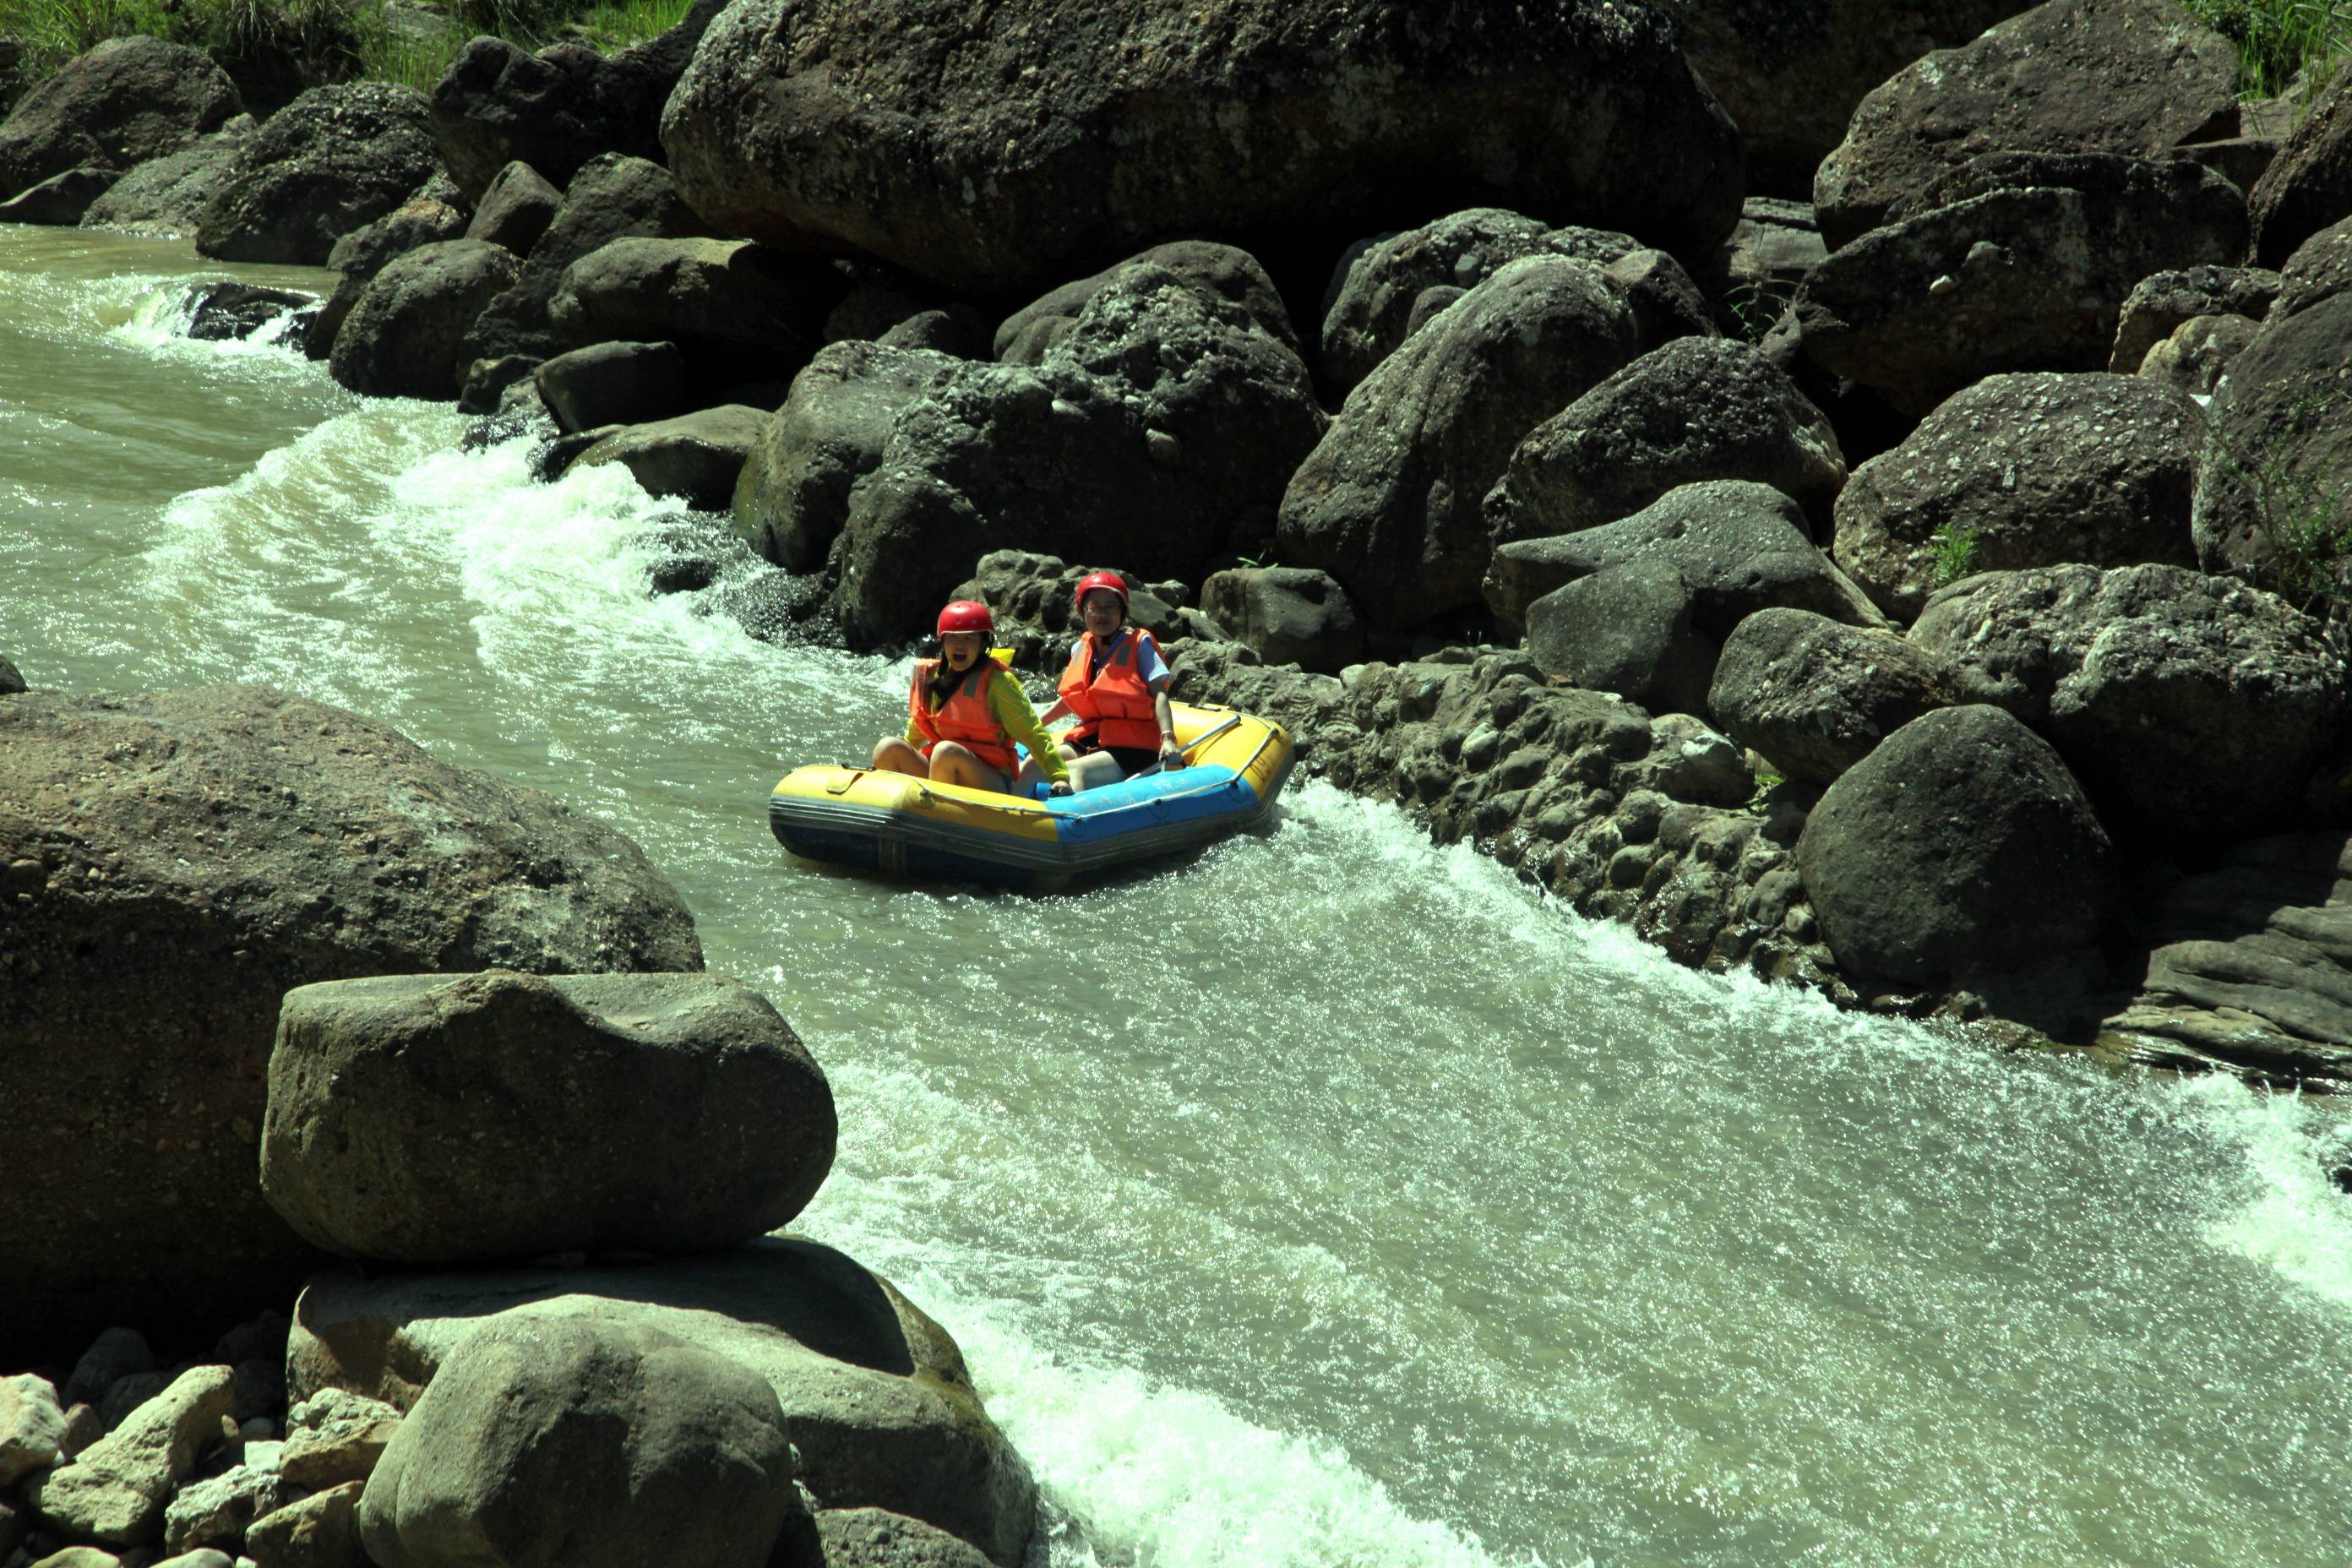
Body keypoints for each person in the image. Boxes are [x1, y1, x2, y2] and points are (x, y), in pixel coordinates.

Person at [874, 600, 1071, 797]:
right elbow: (916, 733)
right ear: (942, 642)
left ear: (983, 643)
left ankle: (937, 815)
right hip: (941, 769)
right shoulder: (934, 678)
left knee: (945, 752)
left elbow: (1032, 733)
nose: (959, 645)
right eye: (952, 638)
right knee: (888, 748)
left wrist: (1059, 776)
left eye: (969, 639)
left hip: (990, 779)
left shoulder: (999, 683)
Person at [1038, 571, 1184, 786]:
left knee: (1072, 770)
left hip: (1136, 746)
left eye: (1110, 607)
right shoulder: (1081, 648)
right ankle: (1003, 811)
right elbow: (1074, 698)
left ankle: (1068, 817)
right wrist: (1037, 725)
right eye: (1094, 607)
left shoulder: (1139, 645)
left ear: (1122, 612)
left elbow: (1160, 694)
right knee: (1038, 761)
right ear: (1083, 612)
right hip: (1094, 737)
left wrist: (1168, 739)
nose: (1102, 615)